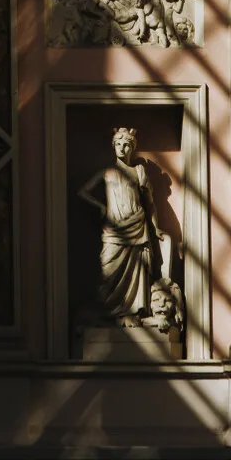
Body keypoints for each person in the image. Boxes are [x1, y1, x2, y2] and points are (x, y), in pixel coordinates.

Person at [78, 126, 163, 320]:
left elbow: (150, 204)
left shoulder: (138, 171)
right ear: (113, 146)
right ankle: (107, 312)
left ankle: (134, 311)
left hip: (137, 226)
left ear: (132, 148)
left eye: (126, 145)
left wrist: (155, 227)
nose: (122, 148)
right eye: (118, 144)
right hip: (114, 229)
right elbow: (83, 192)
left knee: (138, 269)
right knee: (107, 270)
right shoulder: (107, 171)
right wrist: (100, 206)